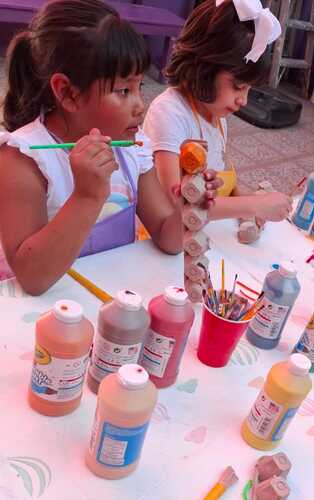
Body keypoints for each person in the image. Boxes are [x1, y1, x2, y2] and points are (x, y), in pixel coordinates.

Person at [0, 0, 218, 295]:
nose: (140, 105)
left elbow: (167, 237)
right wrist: (86, 196)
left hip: (112, 301)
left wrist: (189, 206)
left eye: (140, 87)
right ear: (67, 93)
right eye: (123, 90)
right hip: (44, 312)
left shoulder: (132, 148)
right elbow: (31, 278)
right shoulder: (24, 158)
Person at [143, 0, 292, 224]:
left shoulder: (216, 116)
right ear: (203, 67)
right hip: (164, 234)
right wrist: (254, 204)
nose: (243, 101)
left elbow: (218, 179)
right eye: (238, 86)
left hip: (198, 228)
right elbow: (172, 204)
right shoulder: (169, 114)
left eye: (249, 89)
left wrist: (247, 205)